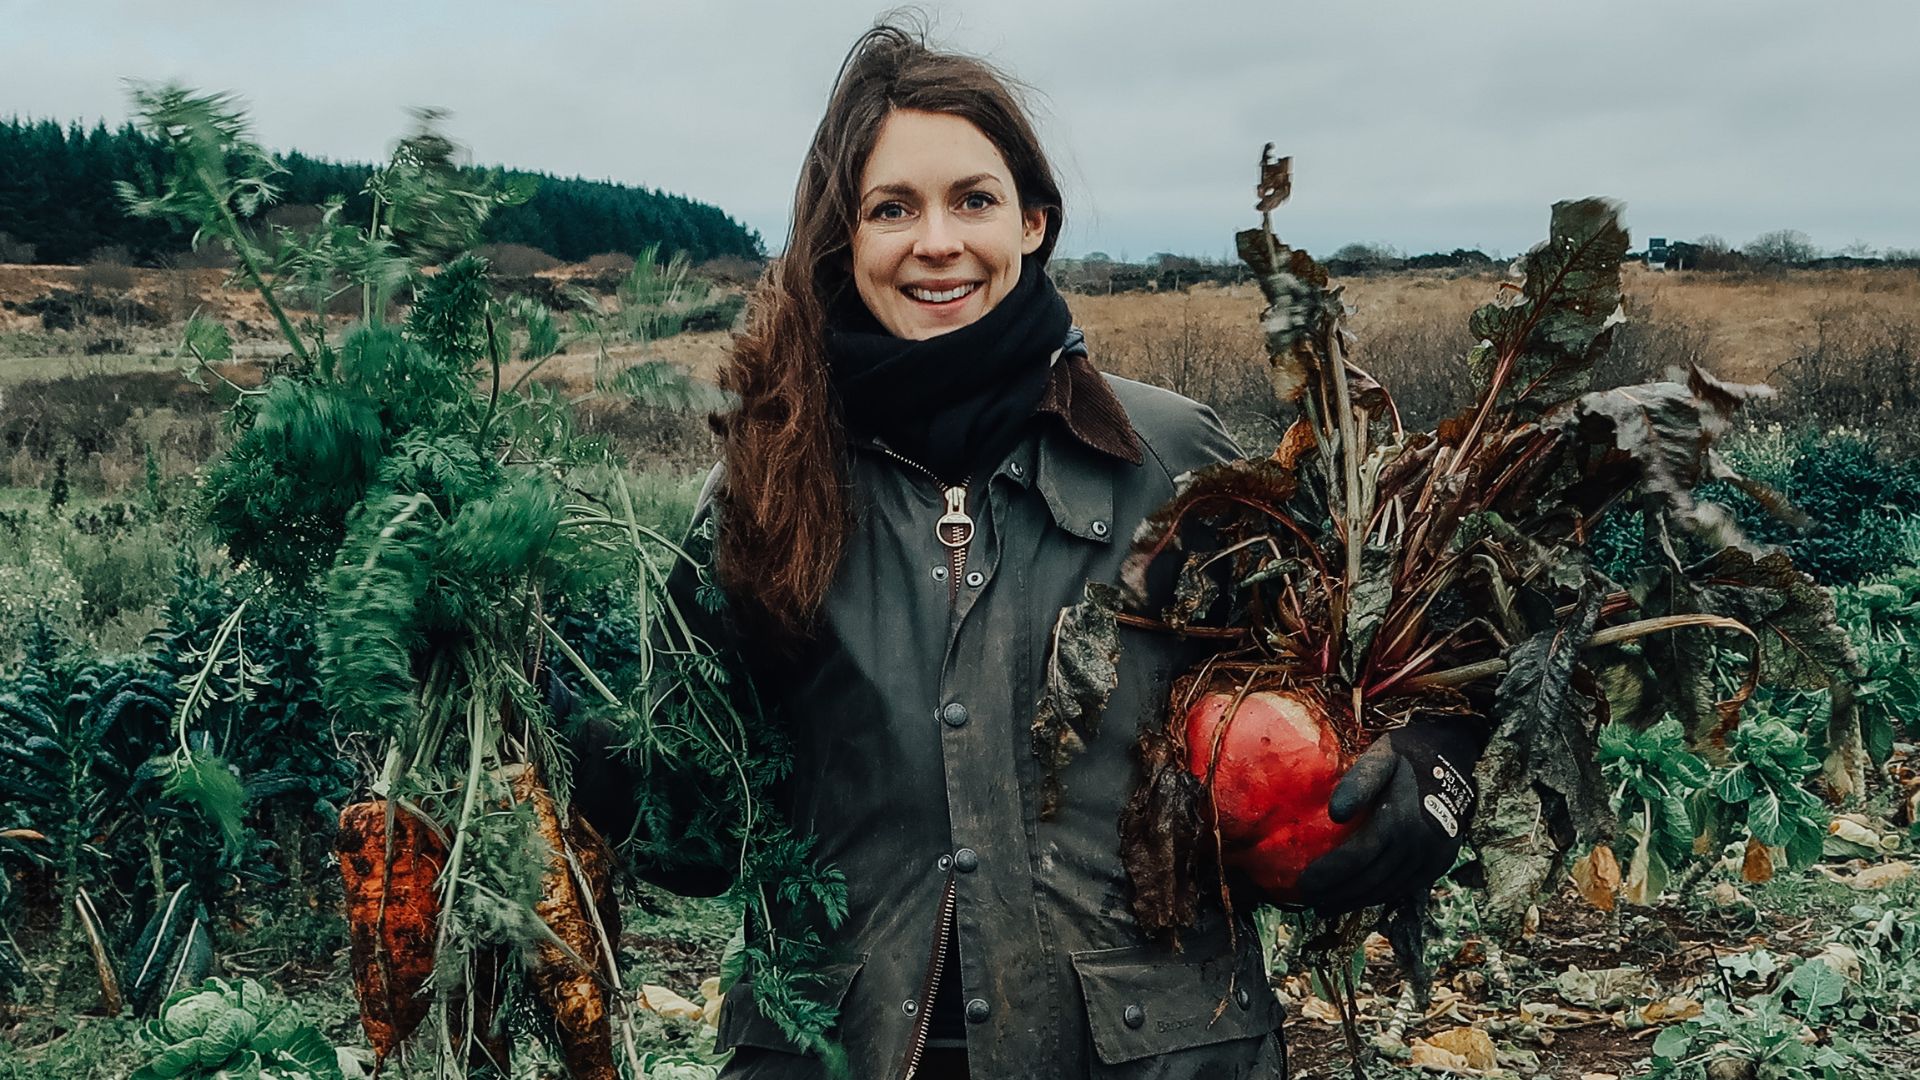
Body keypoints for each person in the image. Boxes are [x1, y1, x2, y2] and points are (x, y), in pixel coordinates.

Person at [576, 20, 1479, 1079]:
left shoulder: (1178, 460)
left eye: (973, 199)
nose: (937, 241)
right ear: (843, 241)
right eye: (891, 208)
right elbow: (697, 838)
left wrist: (1434, 769)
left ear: (1032, 222)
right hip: (828, 1054)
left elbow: (1392, 646)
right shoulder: (762, 488)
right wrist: (592, 747)